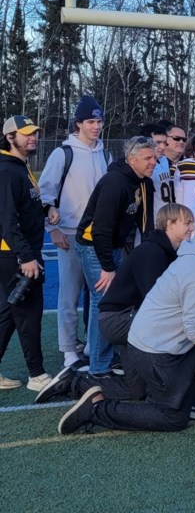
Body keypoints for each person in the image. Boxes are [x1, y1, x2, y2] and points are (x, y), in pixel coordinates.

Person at [57, 211, 195, 434]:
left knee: (138, 391)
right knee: (172, 418)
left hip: (154, 342)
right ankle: (94, 410)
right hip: (154, 350)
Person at [36, 204, 195, 404]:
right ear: (170, 225)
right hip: (118, 320)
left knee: (137, 391)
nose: (192, 227)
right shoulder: (152, 252)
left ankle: (73, 382)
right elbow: (157, 304)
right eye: (187, 223)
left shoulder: (164, 250)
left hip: (126, 318)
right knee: (175, 324)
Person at [75, 136, 157, 379]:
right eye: (148, 158)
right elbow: (100, 230)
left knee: (119, 300)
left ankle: (108, 355)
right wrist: (107, 267)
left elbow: (146, 223)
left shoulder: (144, 182)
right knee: (105, 301)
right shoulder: (115, 182)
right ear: (132, 160)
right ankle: (98, 367)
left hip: (114, 245)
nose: (154, 162)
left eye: (154, 157)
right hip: (94, 245)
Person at [38, 96, 110, 368]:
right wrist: (52, 227)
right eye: (90, 121)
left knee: (98, 294)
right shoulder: (63, 153)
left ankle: (93, 345)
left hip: (97, 236)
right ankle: (69, 350)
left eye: (99, 121)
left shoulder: (105, 153)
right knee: (69, 294)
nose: (96, 126)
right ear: (78, 124)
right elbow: (46, 193)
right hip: (69, 233)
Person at [0, 115, 52, 391]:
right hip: (16, 255)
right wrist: (26, 256)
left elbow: (26, 206)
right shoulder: (7, 171)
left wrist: (46, 210)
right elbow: (7, 221)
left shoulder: (20, 167)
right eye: (26, 133)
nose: (33, 137)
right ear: (10, 138)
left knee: (9, 312)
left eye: (35, 133)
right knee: (29, 313)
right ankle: (37, 375)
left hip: (17, 252)